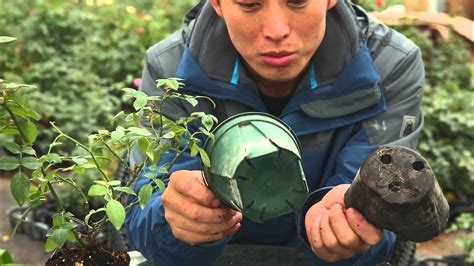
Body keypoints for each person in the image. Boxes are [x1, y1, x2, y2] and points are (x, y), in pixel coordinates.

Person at [125, 0, 425, 265]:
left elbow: (385, 218)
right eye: (250, 4)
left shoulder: (389, 66)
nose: (276, 30)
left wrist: (352, 220)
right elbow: (143, 212)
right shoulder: (171, 70)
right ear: (216, 3)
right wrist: (176, 222)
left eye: (297, 1)